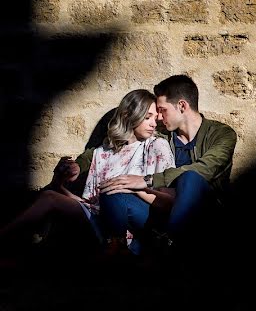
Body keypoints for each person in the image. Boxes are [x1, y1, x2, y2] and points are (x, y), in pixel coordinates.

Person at [0, 89, 174, 254]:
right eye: (147, 117)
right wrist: (60, 180)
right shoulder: (106, 150)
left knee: (112, 194)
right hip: (100, 212)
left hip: (141, 214)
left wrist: (132, 187)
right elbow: (90, 198)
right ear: (129, 116)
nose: (154, 123)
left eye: (154, 117)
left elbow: (168, 202)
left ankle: (118, 248)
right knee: (50, 197)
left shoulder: (157, 146)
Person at [78, 74, 237, 250]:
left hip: (205, 214)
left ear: (182, 106)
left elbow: (205, 169)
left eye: (162, 110)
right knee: (112, 190)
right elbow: (107, 147)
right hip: (161, 212)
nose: (158, 118)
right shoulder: (164, 133)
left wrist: (145, 181)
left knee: (190, 177)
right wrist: (78, 165)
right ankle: (117, 251)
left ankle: (168, 245)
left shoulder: (223, 134)